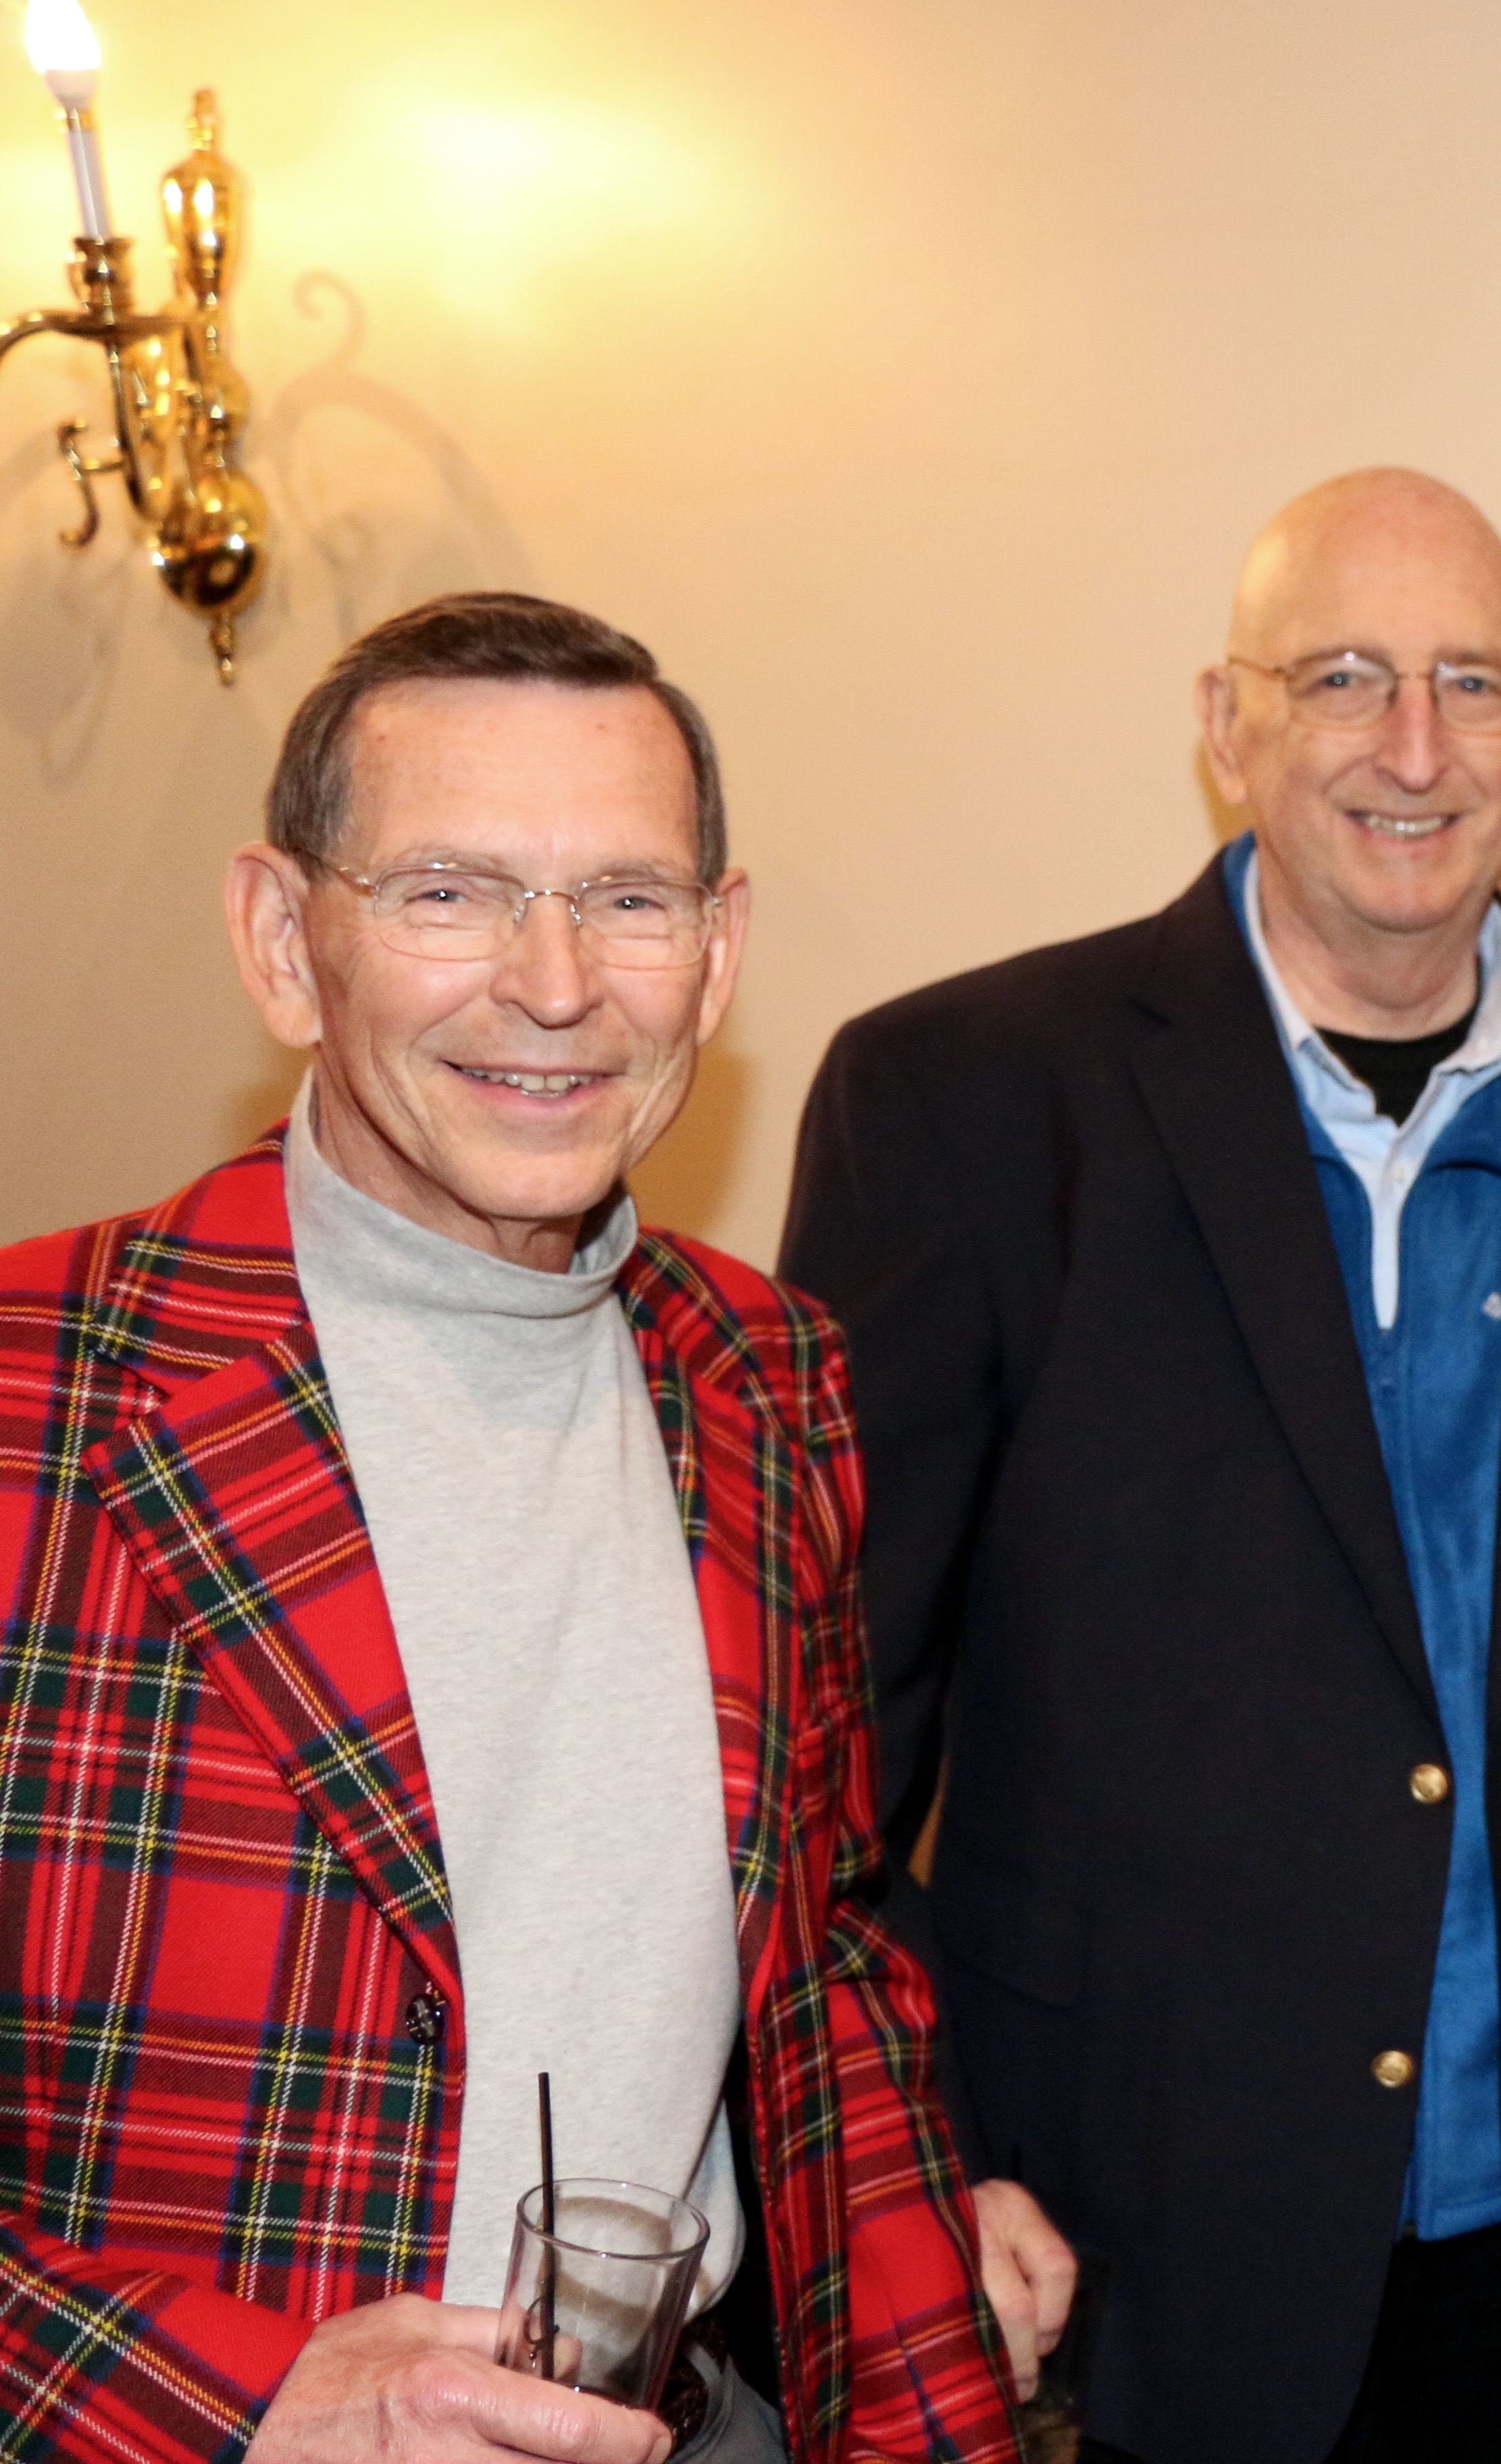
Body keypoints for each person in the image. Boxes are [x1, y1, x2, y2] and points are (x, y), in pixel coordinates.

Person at [780, 469, 1501, 2464]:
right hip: (1122, 2230)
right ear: (1222, 723)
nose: (1415, 747)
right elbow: (826, 1716)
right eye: (1341, 678)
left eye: (1471, 683)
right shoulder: (966, 1101)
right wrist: (909, 2150)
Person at [0, 594, 1017, 2464]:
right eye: (449, 893)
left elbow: (822, 1970)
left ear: (716, 955)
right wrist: (232, 2403)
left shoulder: (770, 1378)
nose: (556, 986)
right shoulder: (33, 1392)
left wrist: (933, 2353)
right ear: (283, 941)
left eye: (628, 899)